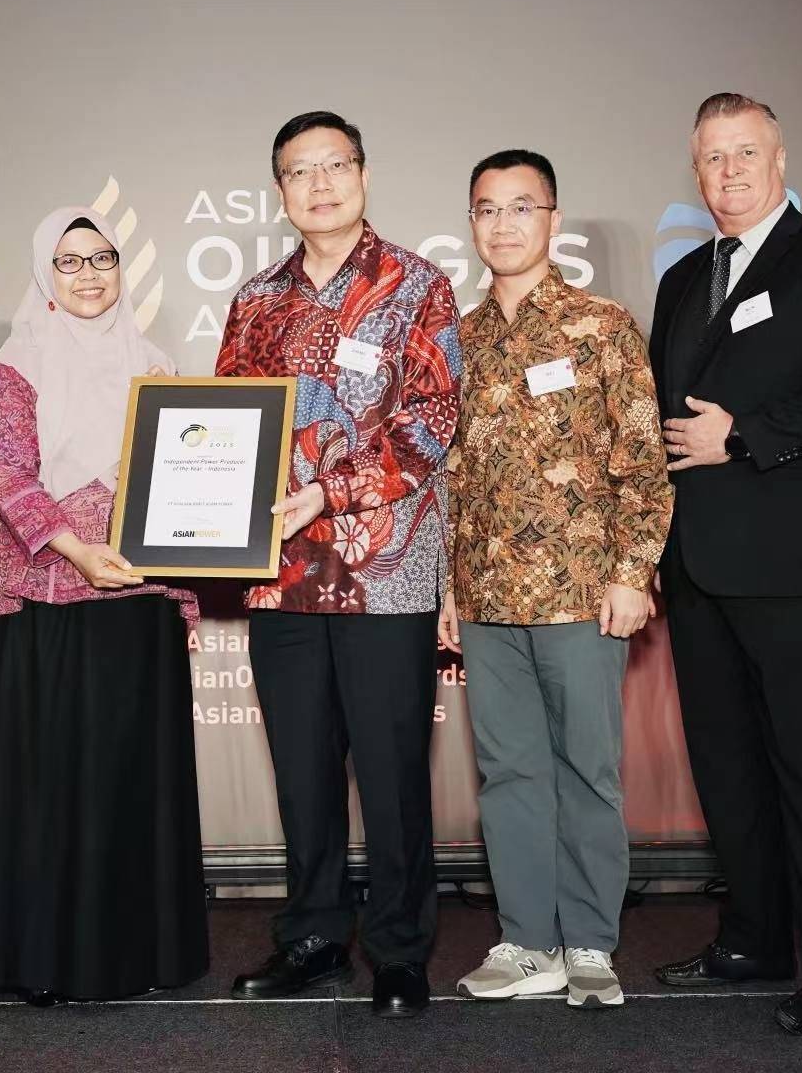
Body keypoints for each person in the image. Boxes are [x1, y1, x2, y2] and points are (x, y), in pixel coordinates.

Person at [648, 94, 802, 1035]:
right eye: (713, 158)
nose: (729, 172)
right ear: (696, 170)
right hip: (698, 566)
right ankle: (753, 938)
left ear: (780, 158)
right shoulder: (684, 279)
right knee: (728, 768)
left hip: (795, 564)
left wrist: (745, 434)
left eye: (745, 153)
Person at [215, 111, 462, 1018]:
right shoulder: (256, 300)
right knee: (303, 771)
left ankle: (399, 951)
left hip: (384, 572)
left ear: (363, 174)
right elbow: (224, 425)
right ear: (279, 190)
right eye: (299, 171)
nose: (319, 184)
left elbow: (432, 421)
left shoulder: (418, 285)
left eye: (335, 165)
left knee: (392, 773)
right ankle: (314, 939)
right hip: (279, 573)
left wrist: (330, 491)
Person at [439, 149, 672, 1008]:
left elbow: (643, 461)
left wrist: (632, 572)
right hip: (487, 597)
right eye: (487, 209)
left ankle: (592, 944)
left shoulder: (602, 326)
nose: (502, 224)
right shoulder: (458, 339)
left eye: (520, 207)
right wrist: (450, 590)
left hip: (582, 592)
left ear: (553, 221)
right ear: (472, 223)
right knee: (509, 775)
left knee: (587, 773)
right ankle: (526, 942)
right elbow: (451, 477)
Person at [0, 206, 208, 1004]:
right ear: (46, 274)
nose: (90, 275)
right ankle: (49, 959)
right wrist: (77, 550)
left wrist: (182, 588)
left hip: (137, 600)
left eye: (102, 257)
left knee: (129, 776)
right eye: (69, 261)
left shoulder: (156, 362)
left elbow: (182, 482)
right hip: (51, 605)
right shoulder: (19, 365)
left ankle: (138, 956)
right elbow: (7, 474)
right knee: (55, 781)